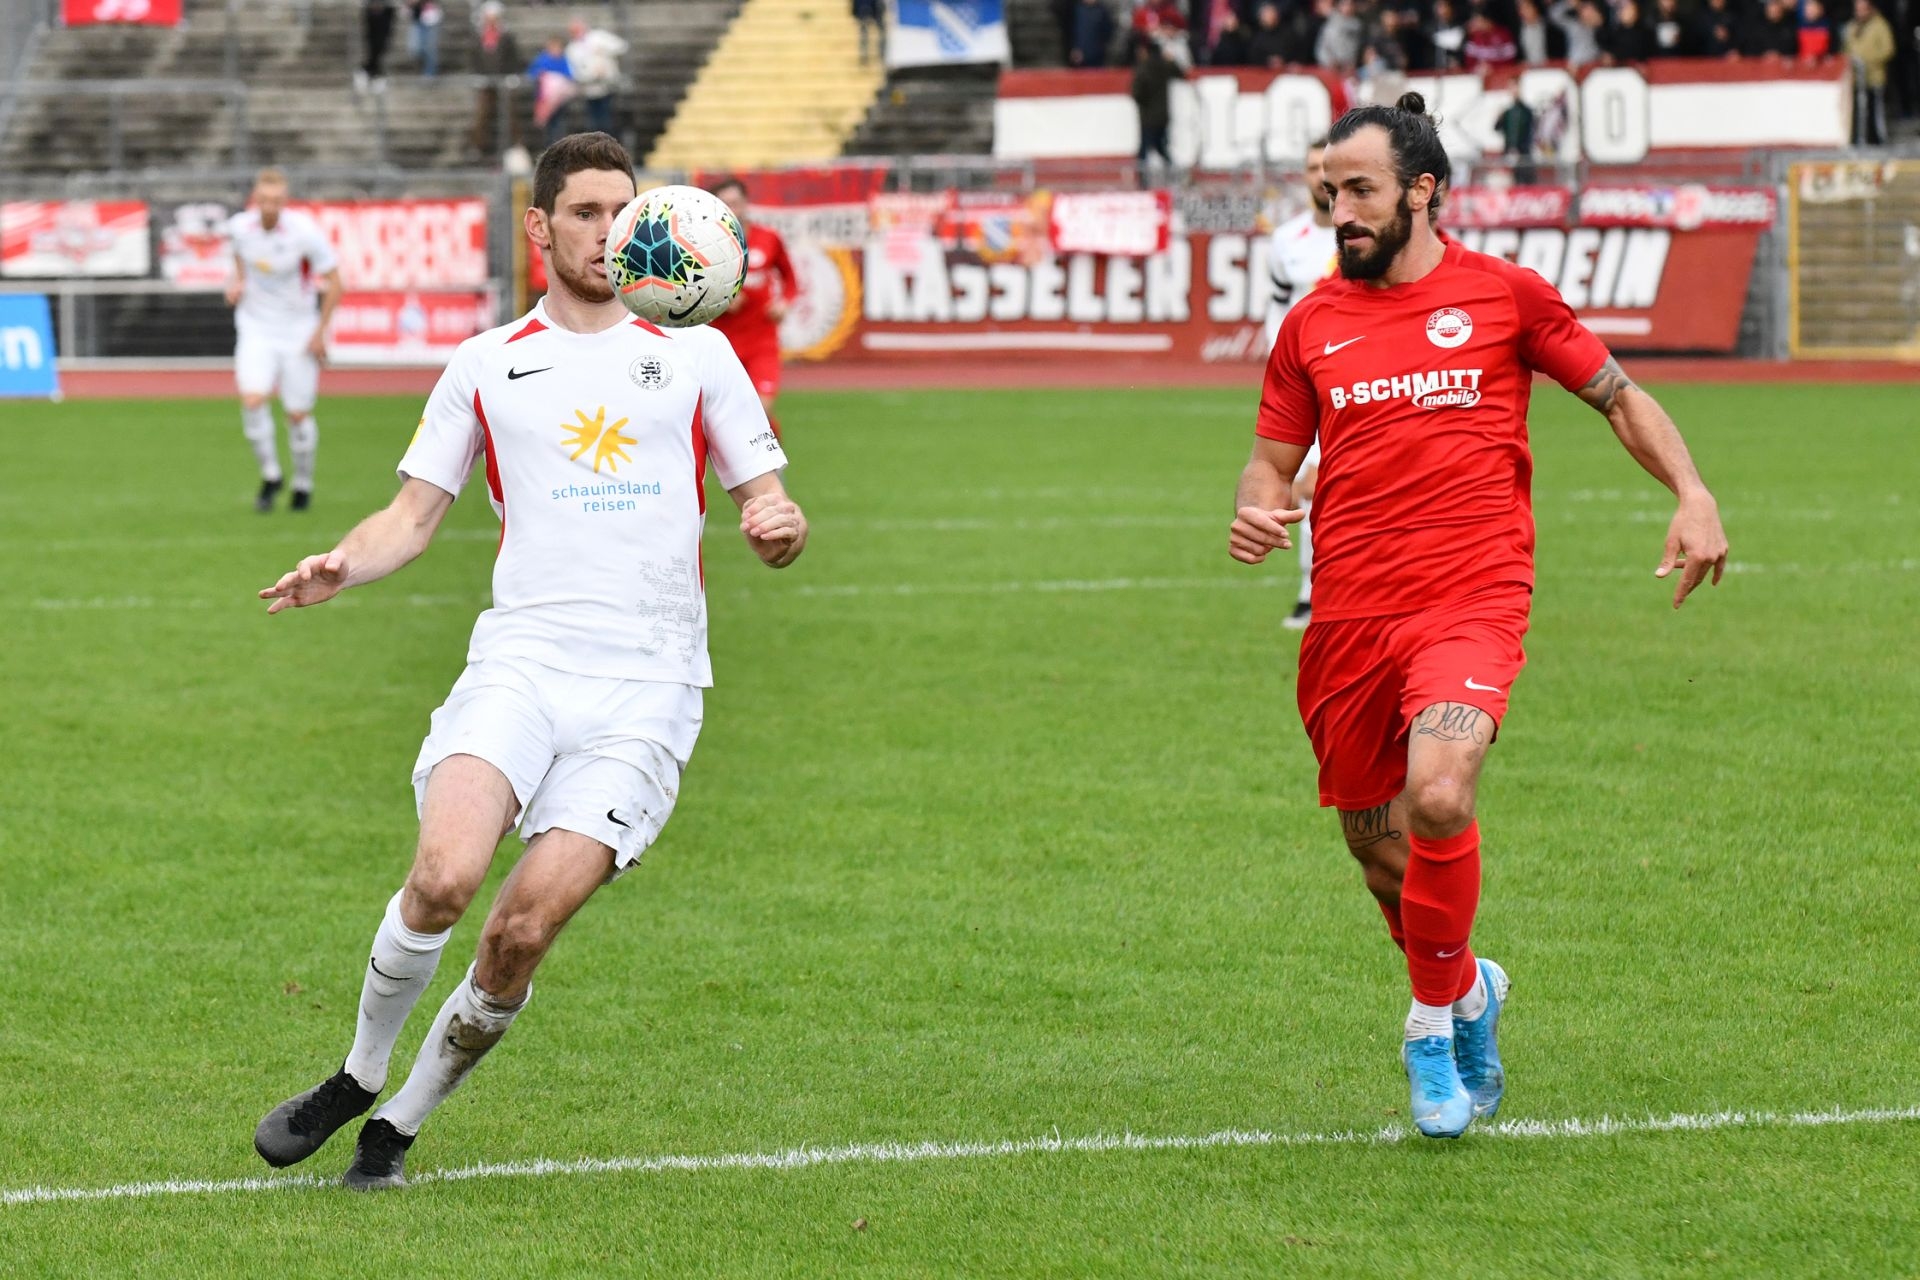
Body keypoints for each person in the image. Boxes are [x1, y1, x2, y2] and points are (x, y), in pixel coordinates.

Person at [249, 133, 806, 1190]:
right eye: (589, 213)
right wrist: (342, 562)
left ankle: (400, 1124)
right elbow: (411, 516)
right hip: (522, 662)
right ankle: (360, 1071)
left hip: (648, 689)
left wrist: (776, 520)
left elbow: (767, 497)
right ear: (541, 227)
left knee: (518, 931)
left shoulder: (697, 353)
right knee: (445, 876)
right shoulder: (488, 359)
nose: (612, 232)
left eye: (625, 211)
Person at [1229, 93, 1728, 1140]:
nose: (1340, 211)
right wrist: (1253, 504)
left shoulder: (1502, 297)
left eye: (1360, 190)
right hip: (1349, 618)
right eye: (1330, 193)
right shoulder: (1311, 322)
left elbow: (1619, 395)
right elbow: (1272, 460)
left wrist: (1692, 490)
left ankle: (1424, 1025)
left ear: (1423, 189)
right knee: (1381, 855)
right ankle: (1467, 991)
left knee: (1441, 792)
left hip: (1471, 598)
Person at [224, 168, 342, 513]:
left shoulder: (304, 233)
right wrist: (238, 283)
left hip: (298, 330)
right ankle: (271, 475)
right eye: (263, 200)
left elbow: (336, 281)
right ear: (255, 200)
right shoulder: (239, 229)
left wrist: (320, 332)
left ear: (285, 202)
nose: (269, 207)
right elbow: (239, 259)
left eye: (276, 201)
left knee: (297, 413)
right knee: (252, 399)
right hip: (256, 326)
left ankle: (303, 483)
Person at [1262, 137, 1337, 630]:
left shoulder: (1365, 236)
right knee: (1308, 491)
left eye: (1326, 167)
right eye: (1311, 167)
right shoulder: (1286, 240)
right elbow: (1276, 311)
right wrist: (1280, 372)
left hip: (1358, 381)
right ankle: (1312, 593)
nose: (1318, 176)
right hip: (1302, 386)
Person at [708, 176, 798, 435]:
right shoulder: (705, 246)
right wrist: (720, 299)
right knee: (724, 418)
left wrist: (785, 302)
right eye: (725, 204)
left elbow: (790, 277)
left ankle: (773, 473)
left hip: (762, 341)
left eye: (736, 203)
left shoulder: (768, 238)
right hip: (723, 343)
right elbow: (689, 288)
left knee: (760, 410)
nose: (732, 210)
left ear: (746, 204)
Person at [466, 1, 523, 159]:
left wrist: (512, 75)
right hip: (486, 81)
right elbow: (474, 58)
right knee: (481, 113)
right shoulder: (479, 36)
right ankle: (477, 146)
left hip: (504, 80)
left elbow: (513, 58)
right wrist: (476, 75)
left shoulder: (507, 36)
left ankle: (518, 145)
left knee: (511, 113)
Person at [1131, 38, 1185, 185]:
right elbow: (1181, 73)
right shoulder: (1164, 65)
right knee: (1162, 148)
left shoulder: (1143, 68)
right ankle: (1174, 176)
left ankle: (1143, 182)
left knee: (1144, 150)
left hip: (1147, 117)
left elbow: (1137, 93)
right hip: (1163, 116)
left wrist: (1142, 103)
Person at [566, 15, 629, 137]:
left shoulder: (598, 37)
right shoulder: (571, 49)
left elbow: (621, 46)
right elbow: (574, 72)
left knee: (607, 118)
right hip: (589, 88)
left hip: (607, 85)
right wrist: (591, 75)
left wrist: (605, 51)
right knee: (593, 121)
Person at [1845, 0, 1895, 141]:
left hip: (1874, 77)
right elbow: (1846, 48)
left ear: (1870, 8)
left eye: (1863, 9)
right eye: (1857, 9)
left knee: (1875, 110)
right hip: (1856, 78)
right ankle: (1858, 137)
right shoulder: (1852, 26)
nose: (1860, 12)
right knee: (1857, 111)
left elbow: (1888, 49)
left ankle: (1878, 139)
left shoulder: (1880, 25)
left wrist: (1868, 60)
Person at [527, 36, 577, 148]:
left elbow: (569, 75)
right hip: (545, 100)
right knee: (548, 127)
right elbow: (532, 73)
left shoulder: (563, 60)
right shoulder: (542, 59)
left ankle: (560, 147)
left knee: (559, 125)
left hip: (560, 101)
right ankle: (549, 148)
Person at [358, 0, 397, 93]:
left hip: (386, 11)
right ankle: (371, 73)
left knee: (382, 44)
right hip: (373, 12)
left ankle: (374, 73)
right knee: (374, 45)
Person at [1071, 0, 1117, 66]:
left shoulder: (1102, 11)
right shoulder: (1077, 10)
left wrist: (1102, 46)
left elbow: (1108, 31)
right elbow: (1073, 31)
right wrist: (1075, 48)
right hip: (1080, 54)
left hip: (1098, 54)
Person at [407, 0, 443, 78]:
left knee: (429, 48)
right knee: (415, 48)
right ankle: (424, 68)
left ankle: (430, 72)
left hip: (430, 19)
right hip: (417, 19)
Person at [853, 0, 884, 65]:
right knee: (864, 34)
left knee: (880, 34)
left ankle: (881, 54)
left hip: (875, 11)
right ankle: (864, 55)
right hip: (864, 11)